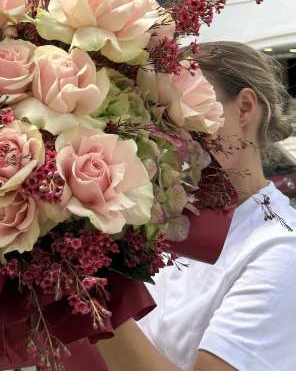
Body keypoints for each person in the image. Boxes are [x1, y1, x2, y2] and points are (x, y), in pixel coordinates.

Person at [98, 41, 296, 371]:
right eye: (159, 116)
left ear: (245, 108)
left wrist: (90, 300)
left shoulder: (281, 249)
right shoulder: (160, 226)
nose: (165, 134)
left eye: (187, 108)